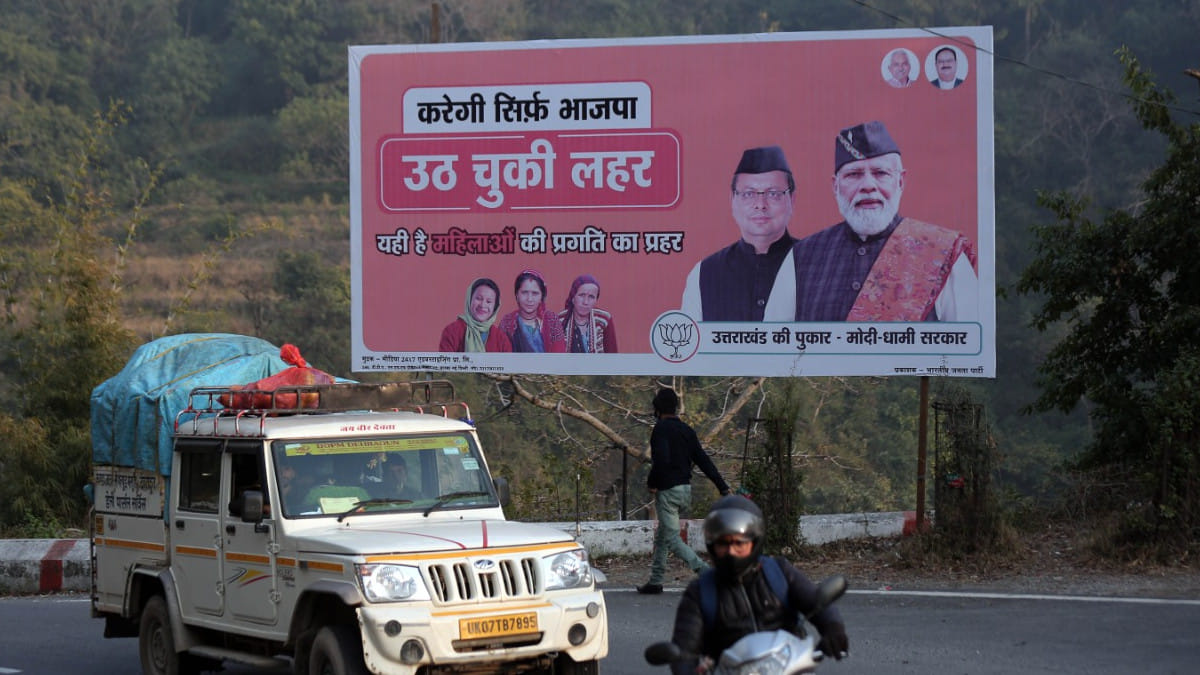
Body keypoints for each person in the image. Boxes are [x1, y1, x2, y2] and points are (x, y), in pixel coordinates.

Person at [792, 120, 979, 321]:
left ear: (900, 182)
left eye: (881, 173)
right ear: (835, 186)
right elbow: (773, 343)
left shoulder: (942, 253)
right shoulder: (801, 257)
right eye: (853, 175)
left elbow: (971, 343)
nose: (868, 185)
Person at [666, 495, 849, 674]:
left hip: (789, 667)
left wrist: (833, 627)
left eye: (739, 543)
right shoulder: (700, 592)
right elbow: (684, 651)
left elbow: (815, 600)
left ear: (754, 542)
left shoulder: (778, 572)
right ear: (712, 545)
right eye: (723, 543)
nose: (731, 551)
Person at [680, 146, 798, 321]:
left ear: (792, 199)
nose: (760, 204)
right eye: (748, 194)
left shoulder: (816, 267)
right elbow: (689, 344)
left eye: (773, 194)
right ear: (732, 200)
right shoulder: (705, 273)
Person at [638, 388, 732, 595]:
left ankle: (707, 573)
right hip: (685, 490)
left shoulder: (661, 429)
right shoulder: (687, 431)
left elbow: (660, 460)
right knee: (663, 535)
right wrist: (722, 486)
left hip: (668, 491)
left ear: (657, 408)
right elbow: (703, 460)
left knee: (672, 539)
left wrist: (652, 482)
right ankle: (655, 580)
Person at [497, 269, 568, 352]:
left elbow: (559, 356)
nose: (529, 299)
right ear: (517, 295)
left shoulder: (552, 320)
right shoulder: (507, 322)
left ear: (542, 297)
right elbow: (502, 357)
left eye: (535, 293)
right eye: (524, 292)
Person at [439, 277, 512, 352]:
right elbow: (445, 362)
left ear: (495, 307)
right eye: (479, 298)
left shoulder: (501, 339)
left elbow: (508, 363)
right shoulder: (452, 331)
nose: (483, 305)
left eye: (489, 301)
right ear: (469, 299)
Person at [558, 274, 618, 353]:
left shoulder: (603, 319)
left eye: (591, 297)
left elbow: (612, 355)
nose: (585, 302)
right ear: (573, 297)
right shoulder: (560, 320)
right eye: (581, 295)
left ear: (596, 300)